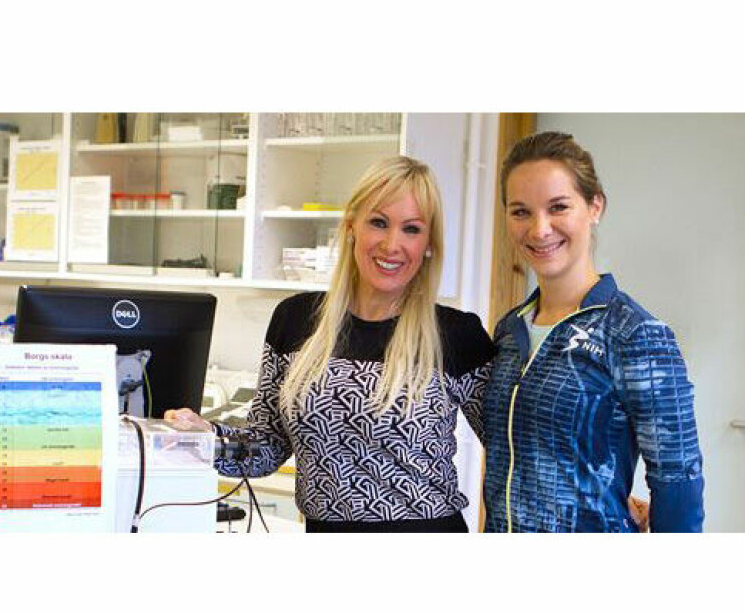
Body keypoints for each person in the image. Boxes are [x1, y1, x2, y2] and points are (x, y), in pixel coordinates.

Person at [166, 155, 495, 532]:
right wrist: (204, 438)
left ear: (429, 245)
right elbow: (265, 448)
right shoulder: (295, 320)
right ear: (352, 225)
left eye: (412, 229)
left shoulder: (456, 335)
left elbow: (512, 455)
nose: (392, 244)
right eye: (378, 222)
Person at [481, 131, 705, 532]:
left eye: (558, 207)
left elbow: (679, 484)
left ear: (595, 205)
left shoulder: (635, 333)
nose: (539, 229)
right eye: (520, 211)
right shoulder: (508, 330)